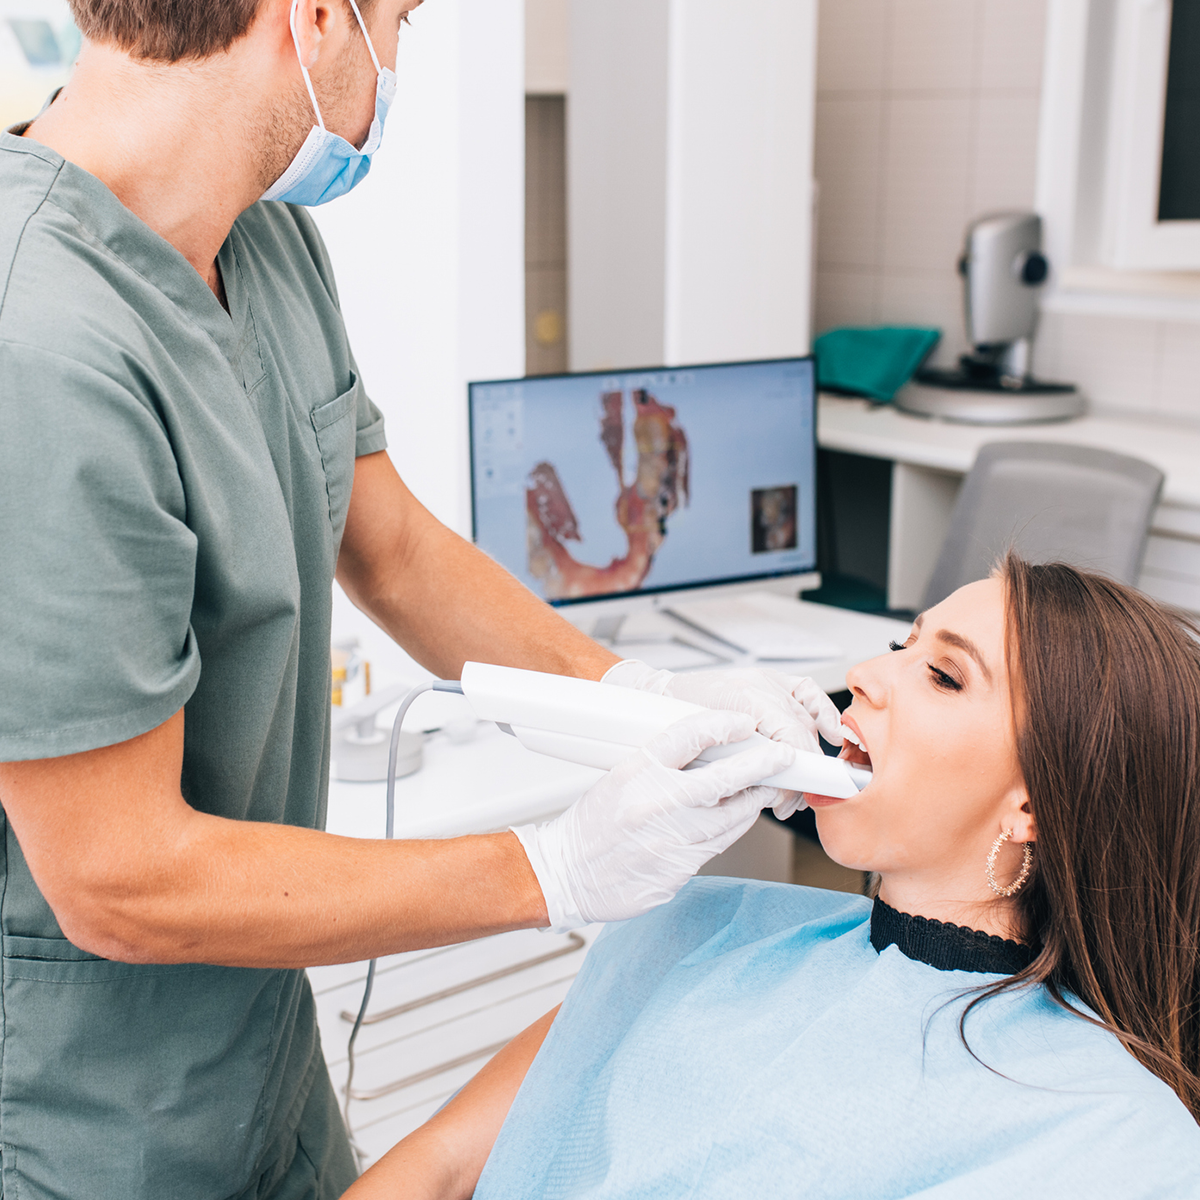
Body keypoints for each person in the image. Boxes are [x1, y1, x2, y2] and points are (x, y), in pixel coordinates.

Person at [0, 3, 844, 1197]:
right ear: (312, 18)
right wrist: (550, 868)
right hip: (92, 1118)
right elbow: (119, 879)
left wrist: (642, 699)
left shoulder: (267, 244)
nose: (396, 58)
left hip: (259, 1064)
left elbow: (390, 548)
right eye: (396, 19)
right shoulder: (37, 342)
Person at [347, 556, 1200, 1199]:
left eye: (941, 674)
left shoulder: (1115, 1135)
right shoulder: (697, 929)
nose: (866, 672)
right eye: (901, 643)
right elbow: (443, 1162)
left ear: (1034, 809)